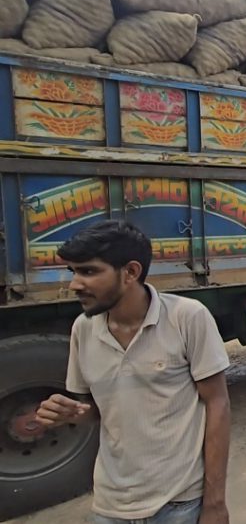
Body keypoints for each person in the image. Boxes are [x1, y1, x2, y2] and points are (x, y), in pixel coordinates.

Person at [35, 221, 231, 524]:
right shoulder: (83, 329)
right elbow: (95, 411)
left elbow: (218, 404)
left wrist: (215, 502)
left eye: (88, 271)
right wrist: (70, 413)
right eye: (73, 272)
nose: (74, 284)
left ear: (131, 272)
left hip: (179, 504)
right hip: (110, 507)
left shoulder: (186, 317)